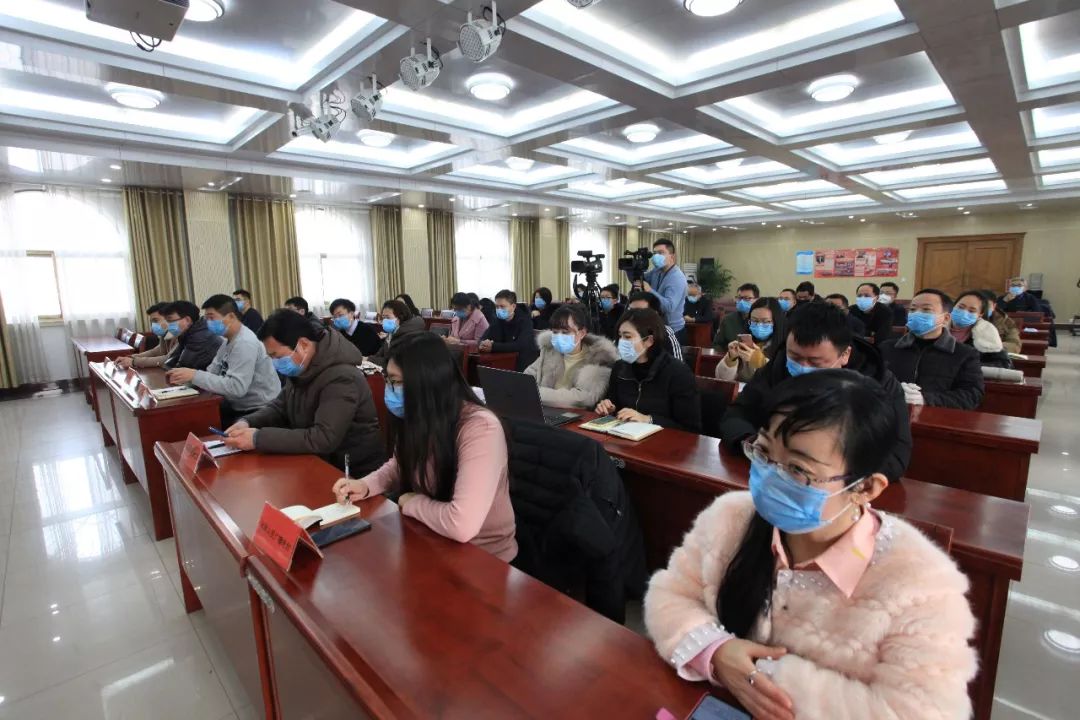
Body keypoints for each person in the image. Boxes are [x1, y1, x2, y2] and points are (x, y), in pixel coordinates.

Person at [645, 371, 976, 720]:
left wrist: (762, 675)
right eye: (763, 451)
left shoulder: (919, 584)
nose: (770, 475)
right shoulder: (732, 517)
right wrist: (716, 652)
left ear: (865, 488)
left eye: (797, 470)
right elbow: (669, 595)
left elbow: (925, 712)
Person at [332, 333, 517, 561]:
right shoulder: (419, 416)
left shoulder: (480, 428)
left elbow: (461, 524)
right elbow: (400, 465)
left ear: (427, 382)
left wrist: (412, 502)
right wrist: (365, 485)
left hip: (483, 557)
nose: (390, 390)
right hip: (432, 536)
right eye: (388, 380)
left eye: (396, 382)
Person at [720, 302, 911, 484]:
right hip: (772, 472)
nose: (803, 367)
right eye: (795, 357)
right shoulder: (778, 366)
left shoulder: (879, 382)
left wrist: (818, 464)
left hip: (833, 485)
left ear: (845, 355)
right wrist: (752, 443)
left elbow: (895, 457)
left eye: (815, 362)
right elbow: (735, 415)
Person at [224, 309, 385, 476]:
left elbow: (323, 438)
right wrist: (247, 422)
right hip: (316, 462)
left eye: (276, 356)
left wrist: (258, 438)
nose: (274, 363)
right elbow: (280, 407)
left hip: (351, 472)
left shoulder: (342, 377)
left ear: (304, 345)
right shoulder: (302, 367)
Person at [165, 294, 280, 427]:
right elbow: (213, 371)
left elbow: (236, 388)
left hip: (258, 410)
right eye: (206, 318)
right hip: (237, 405)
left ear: (231, 317)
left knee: (199, 423)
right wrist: (188, 378)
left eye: (211, 318)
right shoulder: (228, 340)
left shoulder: (245, 343)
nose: (208, 323)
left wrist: (195, 375)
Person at [595, 308, 701, 432]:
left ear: (649, 341)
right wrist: (609, 408)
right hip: (624, 436)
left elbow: (690, 428)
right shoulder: (620, 368)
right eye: (620, 336)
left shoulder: (678, 373)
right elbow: (615, 405)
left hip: (662, 440)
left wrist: (648, 419)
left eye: (627, 337)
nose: (621, 342)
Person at [878, 289, 984, 410]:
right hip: (889, 414)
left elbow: (972, 396)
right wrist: (891, 390)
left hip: (936, 417)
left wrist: (925, 399)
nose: (917, 314)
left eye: (926, 310)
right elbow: (870, 382)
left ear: (946, 318)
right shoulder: (887, 347)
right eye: (912, 310)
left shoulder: (965, 354)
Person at [524, 303, 618, 409]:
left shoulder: (599, 359)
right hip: (543, 411)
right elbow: (527, 377)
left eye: (565, 332)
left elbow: (582, 399)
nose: (559, 337)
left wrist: (536, 393)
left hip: (575, 415)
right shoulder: (550, 350)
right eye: (555, 332)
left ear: (581, 333)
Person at [715, 298, 786, 383]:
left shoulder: (786, 347)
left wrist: (760, 361)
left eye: (766, 321)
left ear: (777, 322)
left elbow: (782, 382)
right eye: (754, 320)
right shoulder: (745, 342)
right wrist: (730, 359)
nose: (759, 325)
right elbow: (721, 378)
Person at [629, 238, 688, 341]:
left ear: (672, 256)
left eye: (661, 253)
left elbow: (668, 307)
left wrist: (649, 290)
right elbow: (639, 280)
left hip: (673, 331)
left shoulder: (677, 278)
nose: (656, 256)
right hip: (657, 327)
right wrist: (630, 269)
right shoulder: (657, 271)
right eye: (655, 253)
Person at [478, 289, 540, 372]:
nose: (499, 309)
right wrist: (482, 344)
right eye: (497, 307)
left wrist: (493, 347)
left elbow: (520, 345)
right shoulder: (497, 320)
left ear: (513, 306)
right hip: (502, 361)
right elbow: (483, 338)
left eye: (502, 306)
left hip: (524, 365)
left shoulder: (525, 321)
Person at [951, 291, 1011, 369]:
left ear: (980, 314)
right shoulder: (938, 327)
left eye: (971, 311)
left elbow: (1004, 364)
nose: (964, 312)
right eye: (960, 307)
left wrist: (969, 367)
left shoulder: (987, 332)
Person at [161, 301, 222, 371]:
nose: (168, 326)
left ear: (187, 320)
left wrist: (167, 367)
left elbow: (182, 367)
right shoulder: (189, 333)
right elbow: (172, 360)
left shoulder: (200, 337)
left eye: (171, 321)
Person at [366, 299, 426, 368]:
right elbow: (379, 354)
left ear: (400, 318)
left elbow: (394, 363)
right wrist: (367, 359)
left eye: (387, 317)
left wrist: (368, 359)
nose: (384, 321)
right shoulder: (392, 333)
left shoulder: (409, 336)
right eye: (383, 317)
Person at [627, 291, 683, 361]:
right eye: (630, 311)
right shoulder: (624, 331)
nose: (633, 315)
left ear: (655, 313)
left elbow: (678, 364)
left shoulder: (665, 333)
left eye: (640, 311)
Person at [118, 303, 175, 369]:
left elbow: (168, 359)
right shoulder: (165, 334)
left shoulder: (179, 334)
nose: (153, 325)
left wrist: (134, 362)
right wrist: (131, 357)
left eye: (155, 320)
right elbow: (156, 351)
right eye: (152, 322)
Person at [981, 289, 1021, 354]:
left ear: (994, 306)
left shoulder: (1007, 322)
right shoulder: (968, 320)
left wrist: (990, 347)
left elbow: (1015, 345)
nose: (983, 309)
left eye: (987, 305)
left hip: (994, 356)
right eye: (980, 306)